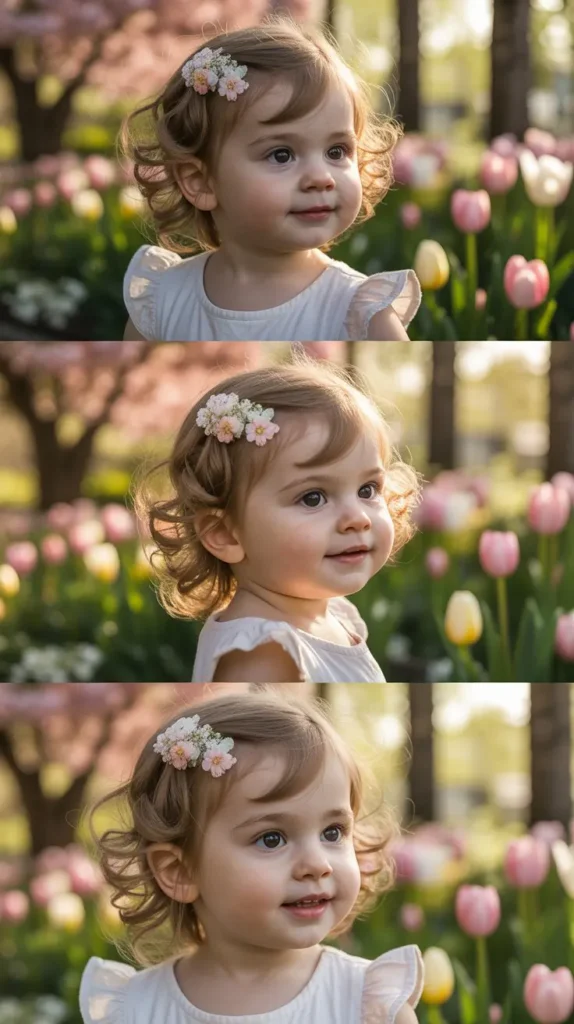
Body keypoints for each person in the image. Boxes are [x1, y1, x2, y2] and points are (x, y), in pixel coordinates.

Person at [79, 690, 424, 1024]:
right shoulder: (136, 1010)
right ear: (180, 872)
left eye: (332, 832)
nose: (318, 864)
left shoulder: (370, 1006)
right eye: (271, 839)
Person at [121, 17, 421, 342]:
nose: (321, 178)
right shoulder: (162, 301)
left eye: (336, 151)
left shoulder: (360, 314)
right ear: (200, 182)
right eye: (281, 155)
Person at [133, 353, 421, 683]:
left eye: (368, 489)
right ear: (225, 533)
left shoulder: (331, 613)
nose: (358, 518)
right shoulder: (264, 654)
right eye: (313, 497)